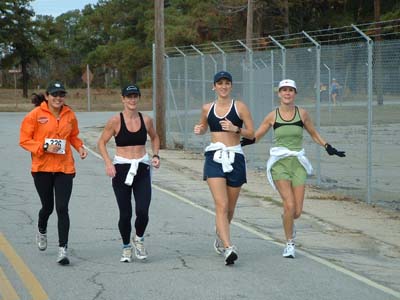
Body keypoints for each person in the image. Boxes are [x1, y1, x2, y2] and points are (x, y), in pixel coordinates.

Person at [241, 79, 345, 258]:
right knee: (288, 205)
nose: (287, 93)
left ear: (295, 93)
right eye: (284, 90)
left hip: (298, 164)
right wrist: (240, 143)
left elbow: (313, 133)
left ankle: (288, 221)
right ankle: (289, 243)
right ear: (279, 93)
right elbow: (256, 136)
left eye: (290, 90)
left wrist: (328, 146)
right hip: (279, 163)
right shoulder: (272, 115)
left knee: (296, 212)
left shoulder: (302, 114)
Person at [19, 80, 88, 265]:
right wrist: (42, 146)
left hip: (64, 168)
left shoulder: (70, 114)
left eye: (61, 95)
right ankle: (42, 229)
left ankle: (62, 250)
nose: (58, 98)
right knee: (47, 207)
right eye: (54, 95)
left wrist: (80, 147)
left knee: (62, 208)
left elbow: (73, 136)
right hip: (42, 168)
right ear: (47, 96)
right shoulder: (35, 115)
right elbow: (24, 140)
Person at [194, 71, 254, 265]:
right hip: (215, 156)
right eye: (220, 83)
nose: (223, 86)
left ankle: (221, 233)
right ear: (214, 86)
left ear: (231, 86)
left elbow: (251, 134)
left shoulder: (240, 107)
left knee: (230, 207)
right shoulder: (207, 108)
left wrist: (236, 128)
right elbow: (203, 127)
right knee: (221, 204)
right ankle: (229, 248)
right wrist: (199, 129)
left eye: (227, 83)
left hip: (235, 156)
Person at [97, 84, 160, 263]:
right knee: (125, 213)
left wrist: (155, 155)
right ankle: (126, 246)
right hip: (121, 168)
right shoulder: (115, 120)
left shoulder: (146, 120)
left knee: (143, 210)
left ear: (138, 98)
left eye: (135, 96)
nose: (132, 100)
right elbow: (101, 142)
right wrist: (108, 163)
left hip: (141, 167)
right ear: (123, 99)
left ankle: (138, 239)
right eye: (129, 96)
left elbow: (155, 137)